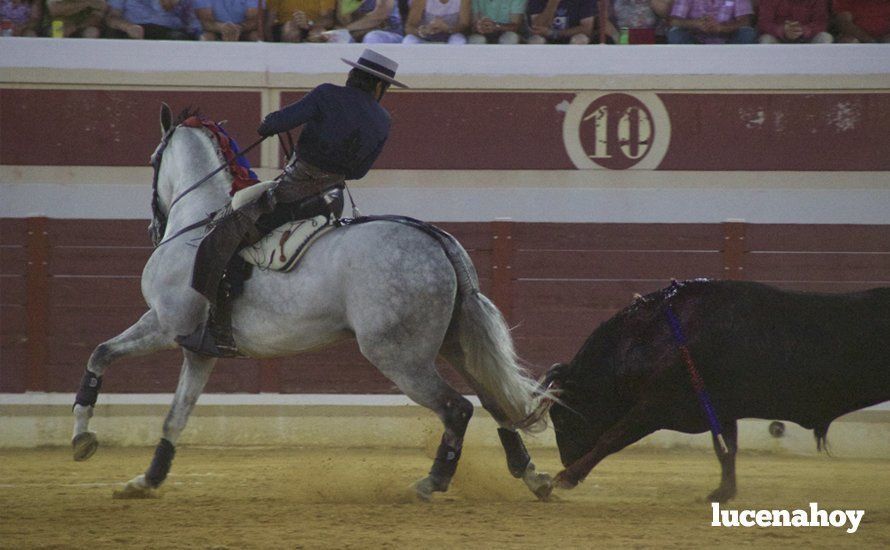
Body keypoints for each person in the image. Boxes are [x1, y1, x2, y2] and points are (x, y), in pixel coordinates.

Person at [177, 49, 407, 357]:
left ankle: (218, 331)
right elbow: (359, 172)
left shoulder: (327, 94)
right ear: (379, 87)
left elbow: (269, 125)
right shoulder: (383, 120)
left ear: (353, 76)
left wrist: (277, 123)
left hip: (292, 195)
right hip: (331, 202)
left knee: (222, 238)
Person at [667, 0, 756, 43]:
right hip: (695, 44)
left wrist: (722, 28)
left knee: (747, 32)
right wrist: (696, 24)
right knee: (675, 33)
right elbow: (675, 21)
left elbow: (746, 22)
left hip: (729, 44)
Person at [105, 0, 201, 39]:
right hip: (135, 31)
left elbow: (193, 24)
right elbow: (111, 18)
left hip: (171, 33)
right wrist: (127, 27)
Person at [322, 0, 405, 43]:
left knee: (372, 37)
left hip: (388, 33)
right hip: (357, 33)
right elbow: (343, 20)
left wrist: (346, 29)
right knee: (335, 38)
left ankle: (370, 73)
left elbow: (380, 15)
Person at [525, 0, 595, 44]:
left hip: (571, 37)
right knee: (536, 41)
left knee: (580, 39)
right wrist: (553, 3)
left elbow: (586, 29)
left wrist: (554, 33)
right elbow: (537, 27)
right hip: (545, 39)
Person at [402, 0, 471, 44]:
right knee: (408, 41)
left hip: (451, 36)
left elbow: (464, 26)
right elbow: (409, 27)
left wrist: (448, 29)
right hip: (425, 37)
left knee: (458, 42)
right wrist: (424, 31)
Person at [265, 0, 335, 42]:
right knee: (290, 30)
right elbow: (270, 20)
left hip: (312, 26)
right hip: (284, 27)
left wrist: (309, 23)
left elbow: (328, 19)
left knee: (319, 33)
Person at [195, 0, 259, 40]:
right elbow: (205, 22)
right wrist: (222, 28)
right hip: (216, 31)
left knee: (255, 37)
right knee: (206, 38)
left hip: (244, 31)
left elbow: (254, 20)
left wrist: (238, 28)